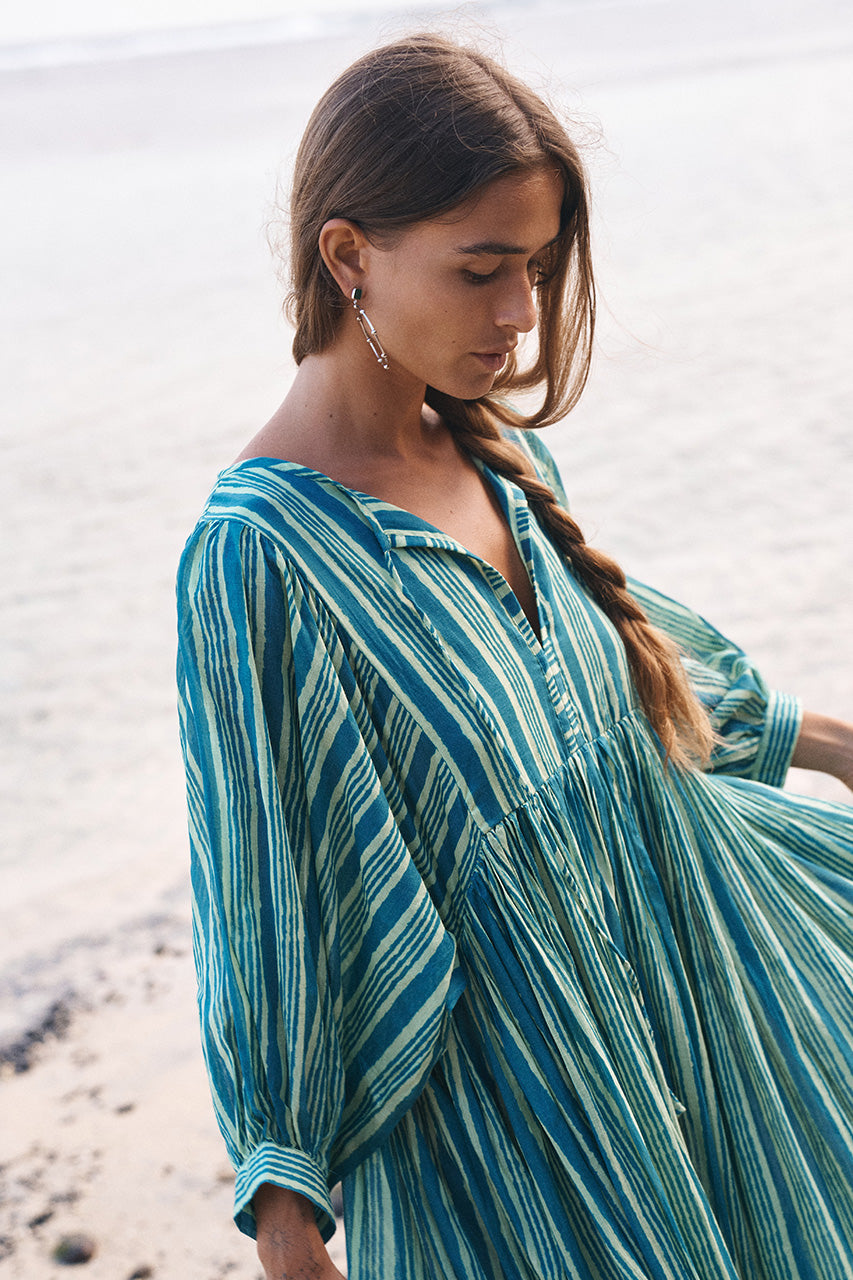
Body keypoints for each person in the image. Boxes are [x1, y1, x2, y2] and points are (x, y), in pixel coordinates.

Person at [176, 33, 853, 1280]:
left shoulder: (502, 463)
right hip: (513, 1139)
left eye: (534, 269)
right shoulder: (260, 555)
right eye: (482, 269)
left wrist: (832, 745)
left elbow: (631, 680)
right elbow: (260, 888)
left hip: (683, 1014)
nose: (519, 314)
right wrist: (287, 1214)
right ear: (347, 256)